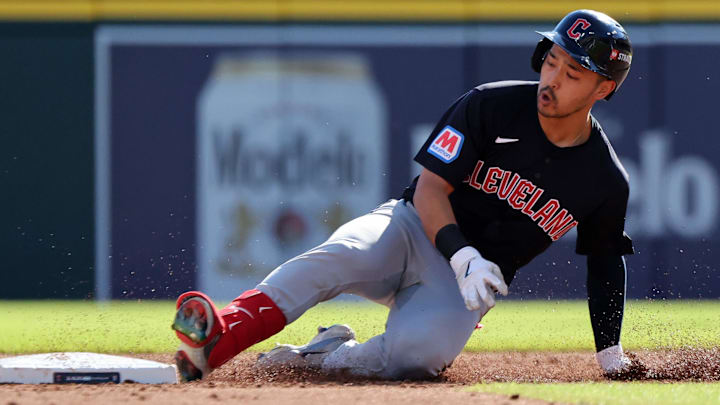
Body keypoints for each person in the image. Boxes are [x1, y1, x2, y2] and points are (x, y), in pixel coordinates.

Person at [171, 9, 639, 382]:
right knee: (336, 257)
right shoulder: (490, 105)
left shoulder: (604, 180)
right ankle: (219, 336)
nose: (552, 78)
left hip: (463, 289)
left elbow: (604, 263)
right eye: (552, 59)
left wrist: (611, 354)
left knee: (416, 359)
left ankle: (323, 359)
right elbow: (433, 188)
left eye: (573, 71)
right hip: (412, 229)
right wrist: (463, 255)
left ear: (605, 88)